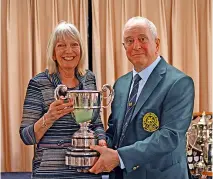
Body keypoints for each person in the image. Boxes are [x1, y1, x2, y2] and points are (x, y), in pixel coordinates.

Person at [89, 16, 195, 179]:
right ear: (124, 47)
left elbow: (169, 136)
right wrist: (101, 144)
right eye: (129, 41)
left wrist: (119, 158)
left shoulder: (179, 83)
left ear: (157, 44)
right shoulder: (121, 84)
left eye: (142, 39)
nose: (136, 46)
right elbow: (116, 130)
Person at [20, 22, 107, 179]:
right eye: (61, 45)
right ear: (53, 53)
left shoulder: (89, 79)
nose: (69, 51)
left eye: (74, 44)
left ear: (81, 50)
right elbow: (26, 137)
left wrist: (101, 141)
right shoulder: (38, 83)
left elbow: (96, 123)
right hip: (50, 172)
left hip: (88, 170)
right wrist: (49, 117)